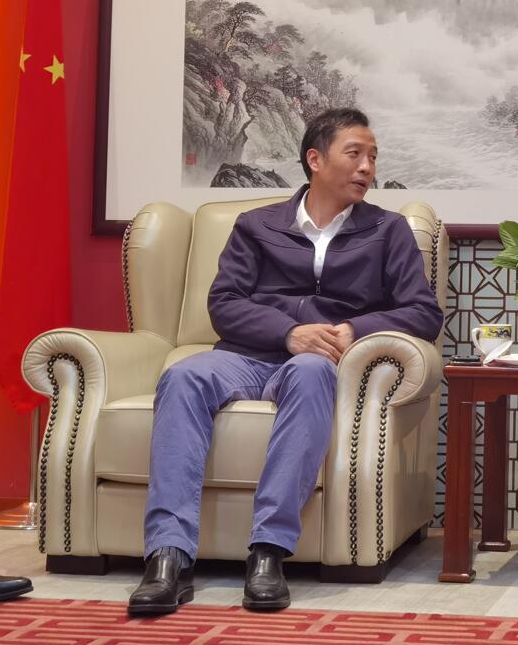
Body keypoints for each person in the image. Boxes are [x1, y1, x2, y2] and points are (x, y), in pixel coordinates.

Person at [128, 108, 444, 617]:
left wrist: (354, 329)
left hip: (320, 362)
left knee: (312, 371)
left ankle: (268, 552)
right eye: (355, 154)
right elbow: (224, 304)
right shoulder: (256, 226)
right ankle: (168, 557)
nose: (367, 167)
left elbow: (424, 313)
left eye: (373, 157)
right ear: (315, 159)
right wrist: (288, 332)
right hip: (246, 355)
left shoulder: (388, 231)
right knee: (183, 375)